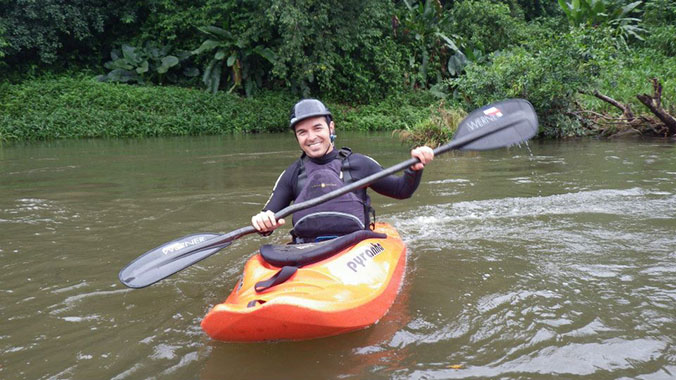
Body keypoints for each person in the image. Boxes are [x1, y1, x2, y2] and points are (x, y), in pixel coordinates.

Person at [251, 99, 434, 243]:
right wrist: (263, 222)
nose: (311, 137)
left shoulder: (359, 164)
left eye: (317, 128)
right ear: (297, 137)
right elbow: (268, 217)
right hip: (306, 249)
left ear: (331, 128)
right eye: (302, 132)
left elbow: (402, 190)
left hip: (355, 247)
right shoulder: (292, 174)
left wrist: (413, 169)